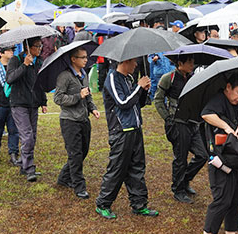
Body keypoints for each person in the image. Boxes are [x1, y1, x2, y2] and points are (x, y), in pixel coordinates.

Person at [197, 74, 238, 234]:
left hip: (236, 158)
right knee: (222, 198)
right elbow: (206, 114)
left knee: (236, 197)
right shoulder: (218, 100)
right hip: (220, 159)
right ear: (228, 87)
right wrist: (226, 127)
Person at [95, 57, 157, 218]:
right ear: (124, 61)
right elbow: (122, 102)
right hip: (121, 131)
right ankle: (103, 204)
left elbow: (137, 104)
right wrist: (138, 87)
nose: (136, 65)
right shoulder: (112, 78)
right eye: (133, 61)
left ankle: (139, 204)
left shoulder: (128, 78)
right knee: (117, 169)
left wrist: (143, 90)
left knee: (137, 167)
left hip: (135, 129)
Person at [154, 53, 207, 203]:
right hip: (178, 123)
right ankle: (178, 189)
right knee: (181, 158)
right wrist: (168, 118)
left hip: (192, 123)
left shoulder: (193, 78)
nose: (192, 65)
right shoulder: (168, 78)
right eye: (189, 62)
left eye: (193, 62)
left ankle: (185, 180)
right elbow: (158, 99)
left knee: (202, 155)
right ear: (180, 63)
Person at [54, 46, 101, 198]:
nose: (86, 60)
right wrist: (77, 96)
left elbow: (88, 95)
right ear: (73, 59)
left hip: (83, 119)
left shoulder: (84, 74)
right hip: (69, 121)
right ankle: (79, 186)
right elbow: (58, 98)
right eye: (83, 57)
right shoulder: (65, 76)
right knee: (75, 155)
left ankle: (63, 177)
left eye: (86, 57)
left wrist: (92, 108)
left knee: (83, 152)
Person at [7, 37, 48, 182]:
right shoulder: (16, 60)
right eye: (37, 46)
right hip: (19, 103)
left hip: (33, 103)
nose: (40, 49)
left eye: (41, 46)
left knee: (32, 136)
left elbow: (40, 83)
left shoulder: (39, 62)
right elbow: (10, 78)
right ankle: (29, 168)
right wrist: (24, 65)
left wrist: (43, 101)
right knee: (27, 136)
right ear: (28, 47)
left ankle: (24, 165)